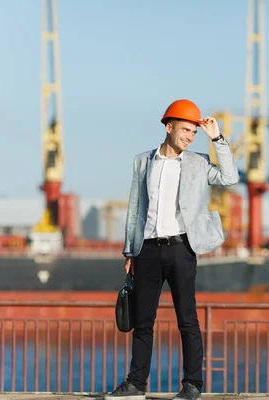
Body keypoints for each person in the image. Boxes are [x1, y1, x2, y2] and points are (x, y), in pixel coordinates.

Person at [105, 99, 239, 400]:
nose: (190, 137)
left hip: (182, 248)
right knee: (143, 321)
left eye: (193, 132)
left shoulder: (199, 161)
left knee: (187, 319)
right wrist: (130, 251)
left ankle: (192, 386)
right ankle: (136, 385)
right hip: (147, 250)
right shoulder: (142, 161)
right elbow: (135, 207)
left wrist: (216, 138)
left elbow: (230, 177)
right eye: (185, 130)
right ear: (169, 127)